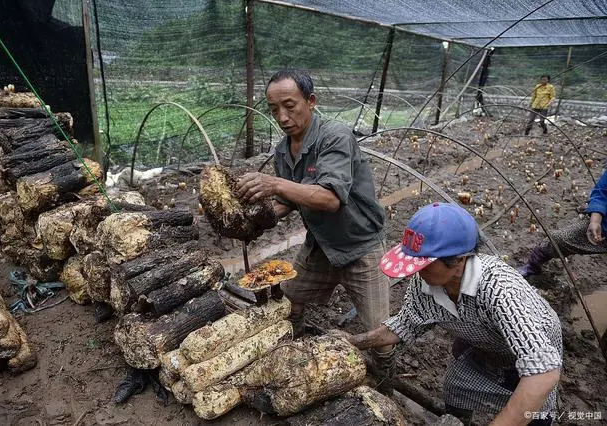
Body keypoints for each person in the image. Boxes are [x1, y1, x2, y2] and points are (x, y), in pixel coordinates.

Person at [331, 202, 562, 426]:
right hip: (483, 342)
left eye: (423, 263)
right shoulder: (425, 284)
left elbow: (543, 373)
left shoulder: (500, 289)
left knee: (533, 412)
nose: (416, 271)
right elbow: (405, 324)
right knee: (455, 388)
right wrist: (351, 343)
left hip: (528, 352)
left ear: (459, 260)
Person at [235, 68, 393, 375]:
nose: (282, 117)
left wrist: (274, 183)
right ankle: (290, 359)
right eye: (274, 109)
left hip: (360, 247)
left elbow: (329, 199)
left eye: (289, 106)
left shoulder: (335, 136)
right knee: (289, 301)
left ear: (311, 101)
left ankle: (384, 384)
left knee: (381, 335)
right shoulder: (284, 149)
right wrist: (255, 219)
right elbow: (289, 199)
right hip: (320, 245)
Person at [519, 169, 607, 277]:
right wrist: (595, 221)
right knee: (557, 240)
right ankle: (532, 266)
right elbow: (601, 192)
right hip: (603, 229)